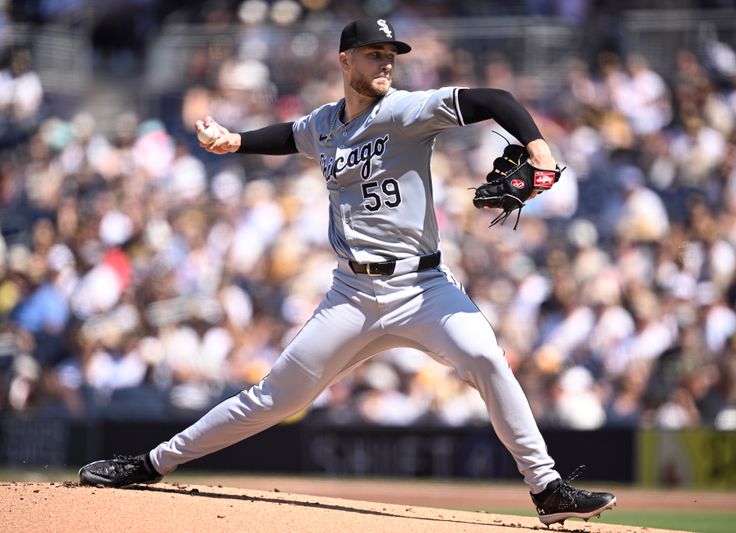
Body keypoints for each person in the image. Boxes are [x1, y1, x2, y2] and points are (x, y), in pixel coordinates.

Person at [79, 18, 616, 526]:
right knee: (275, 398)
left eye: (391, 55)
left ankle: (546, 489)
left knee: (484, 356)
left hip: (423, 287)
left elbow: (494, 101)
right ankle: (151, 464)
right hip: (352, 293)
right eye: (374, 54)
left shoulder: (407, 110)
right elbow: (289, 135)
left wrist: (539, 151)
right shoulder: (324, 124)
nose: (386, 63)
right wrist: (235, 141)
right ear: (345, 60)